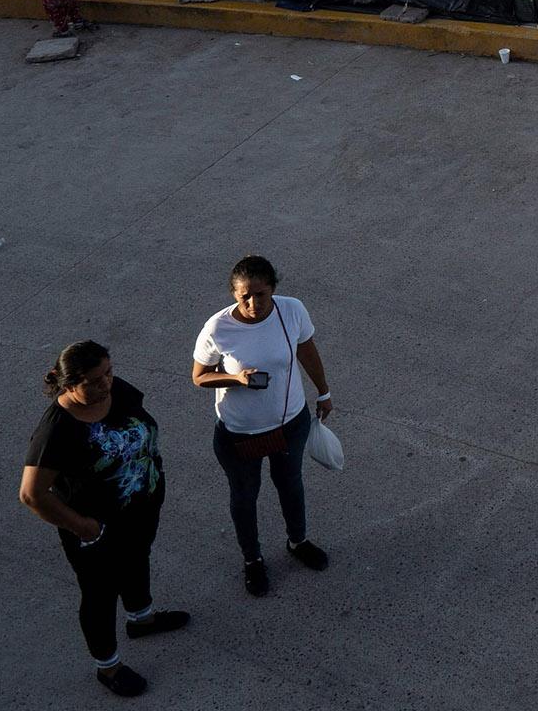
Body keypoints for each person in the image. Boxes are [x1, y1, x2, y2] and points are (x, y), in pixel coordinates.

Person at [20, 341, 186, 699]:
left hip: (141, 506)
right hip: (96, 531)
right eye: (94, 380)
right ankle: (108, 667)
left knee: (138, 558)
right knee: (99, 593)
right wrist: (81, 526)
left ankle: (142, 619)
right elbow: (31, 494)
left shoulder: (115, 389)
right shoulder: (58, 428)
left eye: (108, 372)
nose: (106, 383)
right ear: (67, 384)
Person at [193, 255, 334, 597]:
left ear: (273, 289)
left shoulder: (292, 310)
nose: (253, 303)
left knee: (291, 486)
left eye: (261, 294)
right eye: (244, 296)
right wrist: (235, 378)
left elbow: (306, 350)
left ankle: (297, 541)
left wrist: (324, 391)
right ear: (233, 294)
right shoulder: (218, 328)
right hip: (240, 435)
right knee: (244, 498)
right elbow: (199, 377)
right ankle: (252, 560)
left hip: (290, 424)